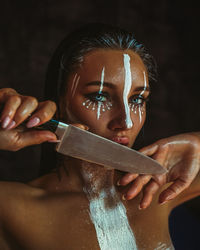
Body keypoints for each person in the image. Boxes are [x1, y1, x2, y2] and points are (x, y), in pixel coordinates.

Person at [0, 23, 199, 250]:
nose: (126, 122)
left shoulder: (158, 187)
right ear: (59, 101)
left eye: (137, 100)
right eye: (99, 96)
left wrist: (198, 142)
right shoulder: (11, 208)